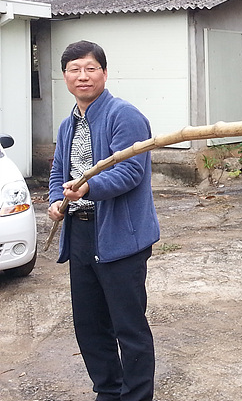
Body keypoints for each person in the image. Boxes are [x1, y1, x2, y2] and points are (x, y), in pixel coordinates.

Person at [48, 40, 160, 401]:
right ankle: (108, 391)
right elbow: (57, 172)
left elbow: (130, 171)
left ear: (104, 73)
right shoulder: (70, 124)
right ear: (65, 76)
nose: (83, 76)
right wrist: (55, 201)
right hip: (81, 234)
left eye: (90, 68)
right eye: (74, 69)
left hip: (121, 238)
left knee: (128, 326)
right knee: (90, 325)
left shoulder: (123, 115)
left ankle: (137, 396)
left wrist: (87, 188)